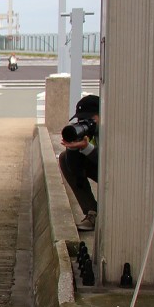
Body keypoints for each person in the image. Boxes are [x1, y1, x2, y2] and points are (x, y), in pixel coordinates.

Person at [58, 94, 100, 231]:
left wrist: (86, 147)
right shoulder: (89, 131)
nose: (86, 122)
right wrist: (73, 147)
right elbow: (74, 168)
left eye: (90, 118)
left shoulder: (112, 131)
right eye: (82, 119)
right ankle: (92, 212)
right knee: (64, 158)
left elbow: (110, 164)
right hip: (103, 168)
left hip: (123, 175)